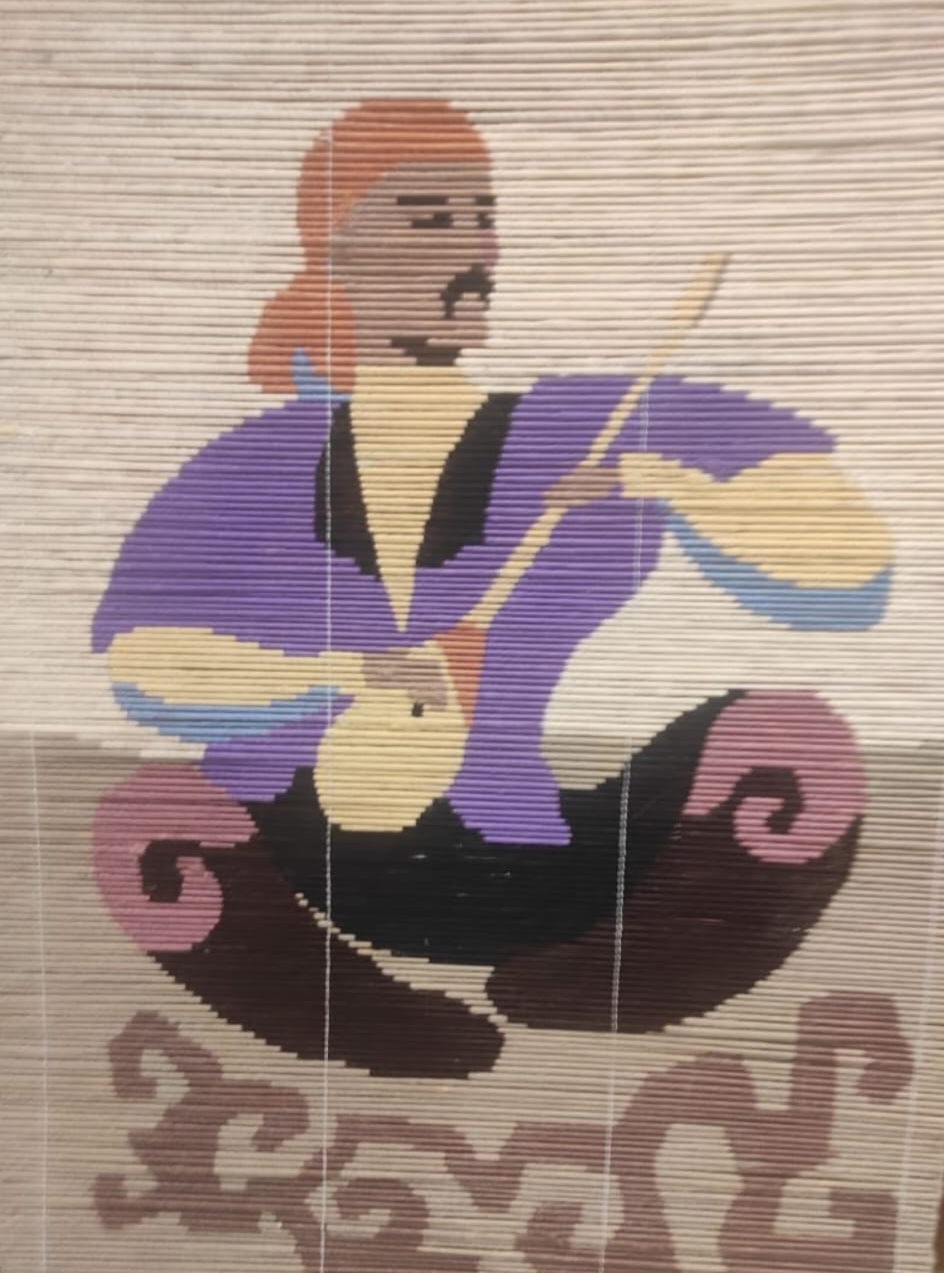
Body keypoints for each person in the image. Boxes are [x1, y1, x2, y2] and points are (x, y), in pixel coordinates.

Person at [91, 99, 891, 1076]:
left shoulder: (588, 424)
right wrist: (345, 670)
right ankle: (331, 998)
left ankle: (622, 967)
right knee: (149, 815)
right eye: (430, 220)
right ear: (335, 249)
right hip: (313, 846)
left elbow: (847, 557)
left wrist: (668, 482)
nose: (475, 250)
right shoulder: (255, 462)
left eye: (481, 219)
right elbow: (143, 665)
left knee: (793, 739)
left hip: (534, 847)